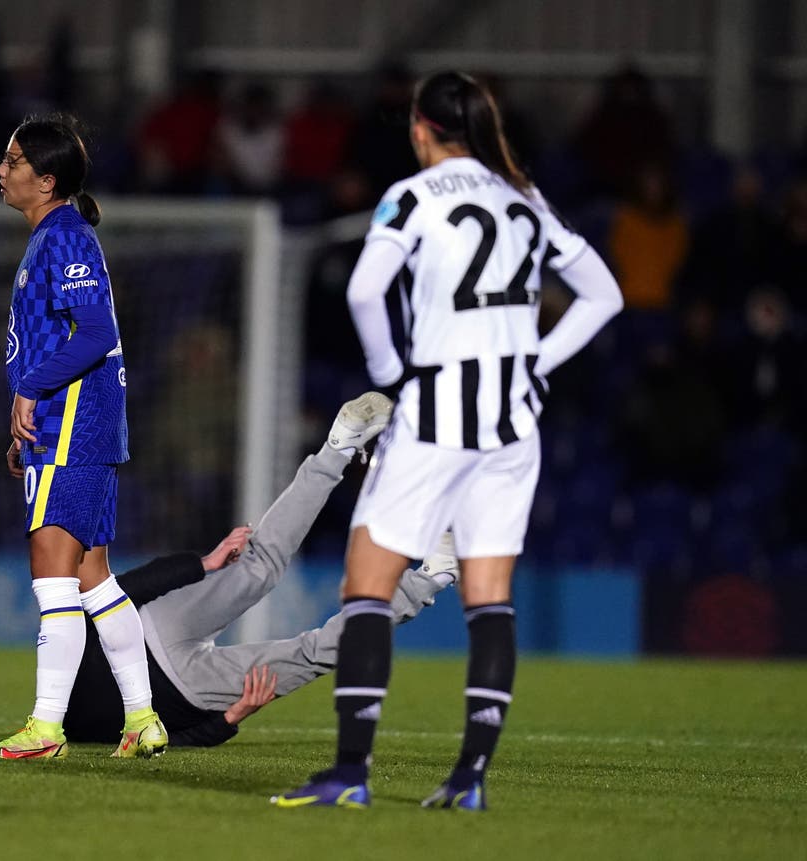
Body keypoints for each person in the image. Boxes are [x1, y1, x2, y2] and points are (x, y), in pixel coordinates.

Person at [273, 71, 623, 810]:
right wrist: (539, 361)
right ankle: (468, 779)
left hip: (437, 412)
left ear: (421, 128)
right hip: (513, 421)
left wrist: (392, 373)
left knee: (367, 585)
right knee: (489, 598)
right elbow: (606, 295)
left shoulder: (411, 195)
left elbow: (366, 291)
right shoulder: (523, 196)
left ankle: (349, 773)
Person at [62, 393, 457, 747]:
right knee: (259, 563)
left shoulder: (79, 729)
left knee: (311, 654)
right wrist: (200, 564)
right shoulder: (69, 657)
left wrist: (227, 720)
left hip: (186, 692)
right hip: (153, 630)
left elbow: (157, 741)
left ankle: (432, 576)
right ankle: (339, 445)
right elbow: (119, 594)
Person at [0, 114, 167, 761]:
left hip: (71, 426)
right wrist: (24, 408)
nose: (0, 170)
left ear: (47, 178)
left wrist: (30, 391)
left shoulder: (64, 238)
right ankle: (142, 718)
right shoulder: (55, 237)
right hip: (69, 427)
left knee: (53, 580)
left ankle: (45, 728)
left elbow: (93, 333)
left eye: (12, 161)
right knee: (95, 581)